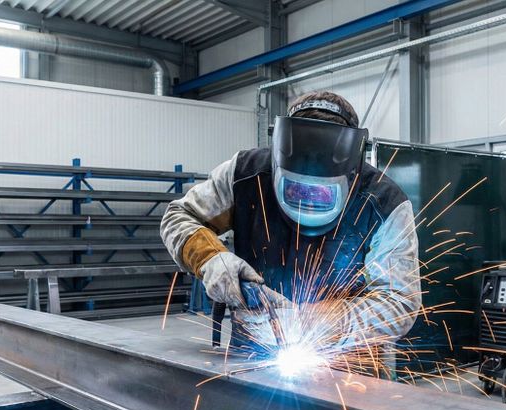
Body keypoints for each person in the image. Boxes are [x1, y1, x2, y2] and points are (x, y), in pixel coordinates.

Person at [161, 91, 421, 374]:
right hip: (253, 357)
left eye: (321, 192)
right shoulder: (243, 175)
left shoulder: (385, 202)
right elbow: (179, 216)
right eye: (295, 189)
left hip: (349, 368)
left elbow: (400, 301)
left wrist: (318, 323)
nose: (306, 198)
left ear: (351, 170)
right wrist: (211, 259)